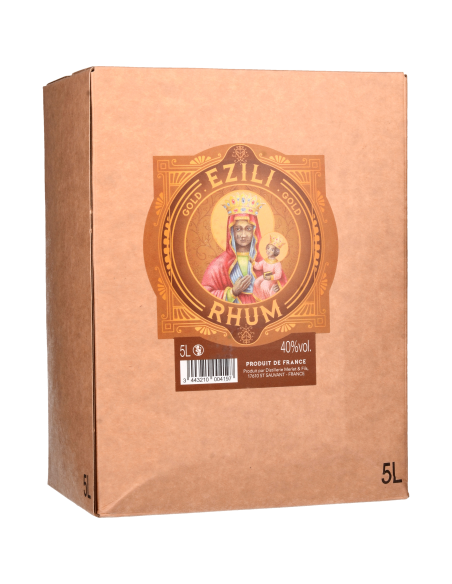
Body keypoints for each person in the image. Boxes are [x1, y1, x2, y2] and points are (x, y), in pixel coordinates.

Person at [202, 193, 275, 304]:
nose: (243, 235)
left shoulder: (265, 261)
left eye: (248, 229)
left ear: (255, 231)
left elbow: (278, 288)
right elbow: (205, 294)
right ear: (231, 231)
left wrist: (273, 290)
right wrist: (232, 292)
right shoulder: (219, 264)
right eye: (238, 229)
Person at [253, 236, 287, 300]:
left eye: (272, 249)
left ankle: (265, 299)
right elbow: (258, 266)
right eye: (268, 248)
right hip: (265, 276)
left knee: (264, 285)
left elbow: (278, 275)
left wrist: (271, 277)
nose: (269, 251)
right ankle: (259, 298)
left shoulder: (277, 263)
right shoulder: (265, 260)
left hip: (272, 279)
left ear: (275, 252)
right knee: (256, 282)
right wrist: (253, 262)